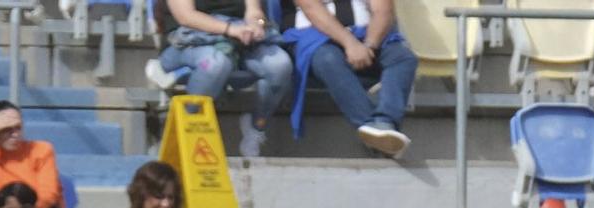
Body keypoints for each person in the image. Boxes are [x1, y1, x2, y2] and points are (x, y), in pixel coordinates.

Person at [282, 0, 419, 159]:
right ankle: (375, 129)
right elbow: (311, 8)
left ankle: (384, 121)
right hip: (313, 37)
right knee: (328, 59)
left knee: (403, 57)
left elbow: (383, 10)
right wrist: (350, 43)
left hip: (366, 37)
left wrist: (369, 45)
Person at [157, 0, 294, 158]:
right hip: (187, 41)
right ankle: (181, 130)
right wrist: (229, 29)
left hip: (238, 40)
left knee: (279, 64)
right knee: (216, 63)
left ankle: (256, 127)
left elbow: (255, 12)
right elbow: (186, 17)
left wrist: (256, 25)